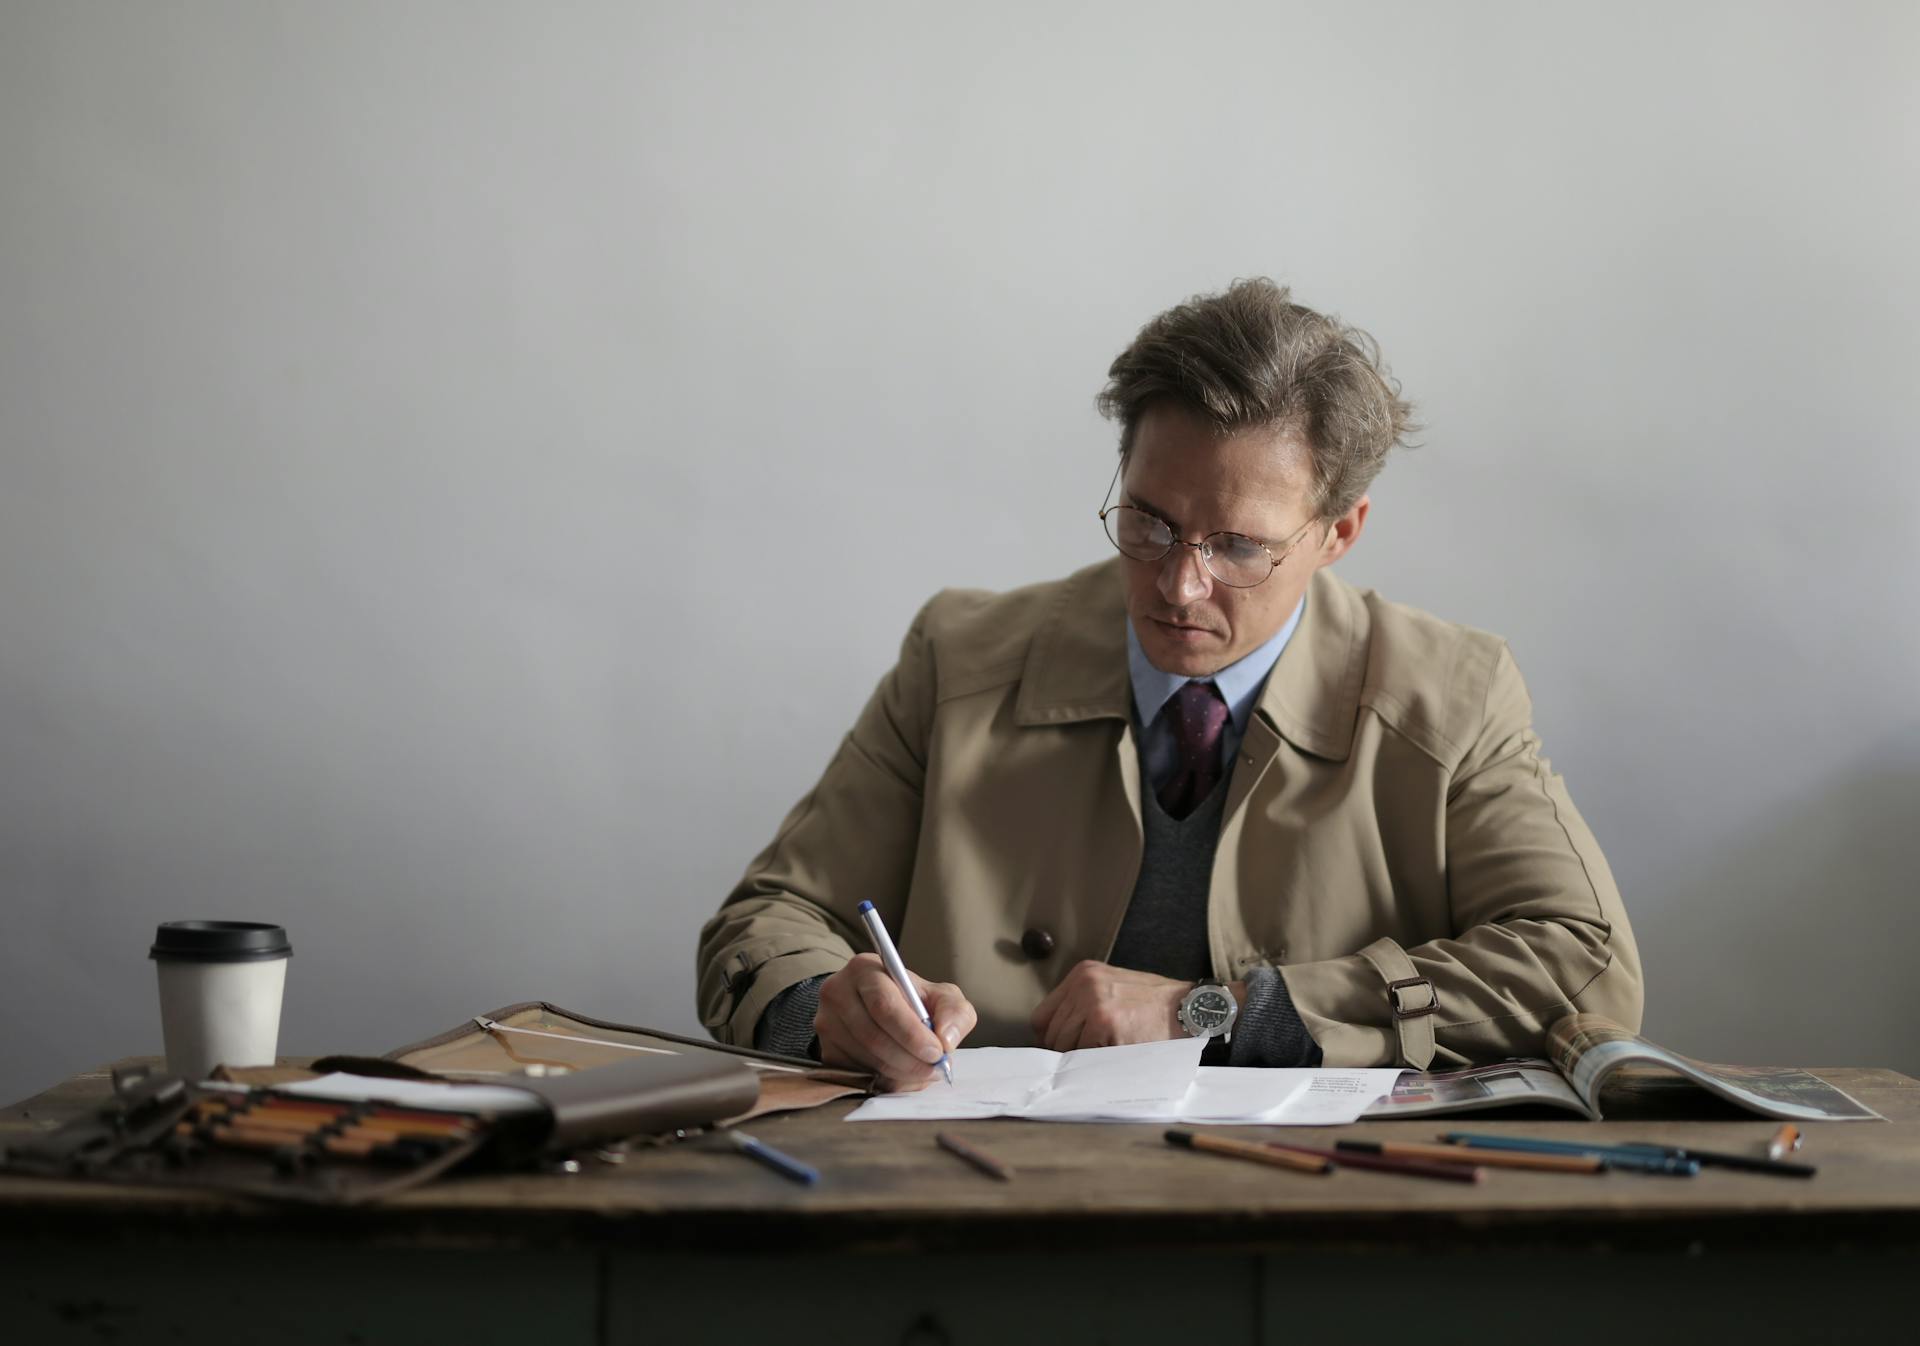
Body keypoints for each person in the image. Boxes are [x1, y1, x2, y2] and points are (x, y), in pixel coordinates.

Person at [696, 278, 1642, 1091]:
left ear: (1339, 533)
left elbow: (1582, 961)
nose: (1178, 586)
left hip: (1313, 1199)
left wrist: (1221, 1011)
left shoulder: (1452, 695)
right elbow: (765, 922)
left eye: (1237, 546)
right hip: (973, 1184)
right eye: (1148, 522)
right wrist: (824, 1007)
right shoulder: (960, 656)